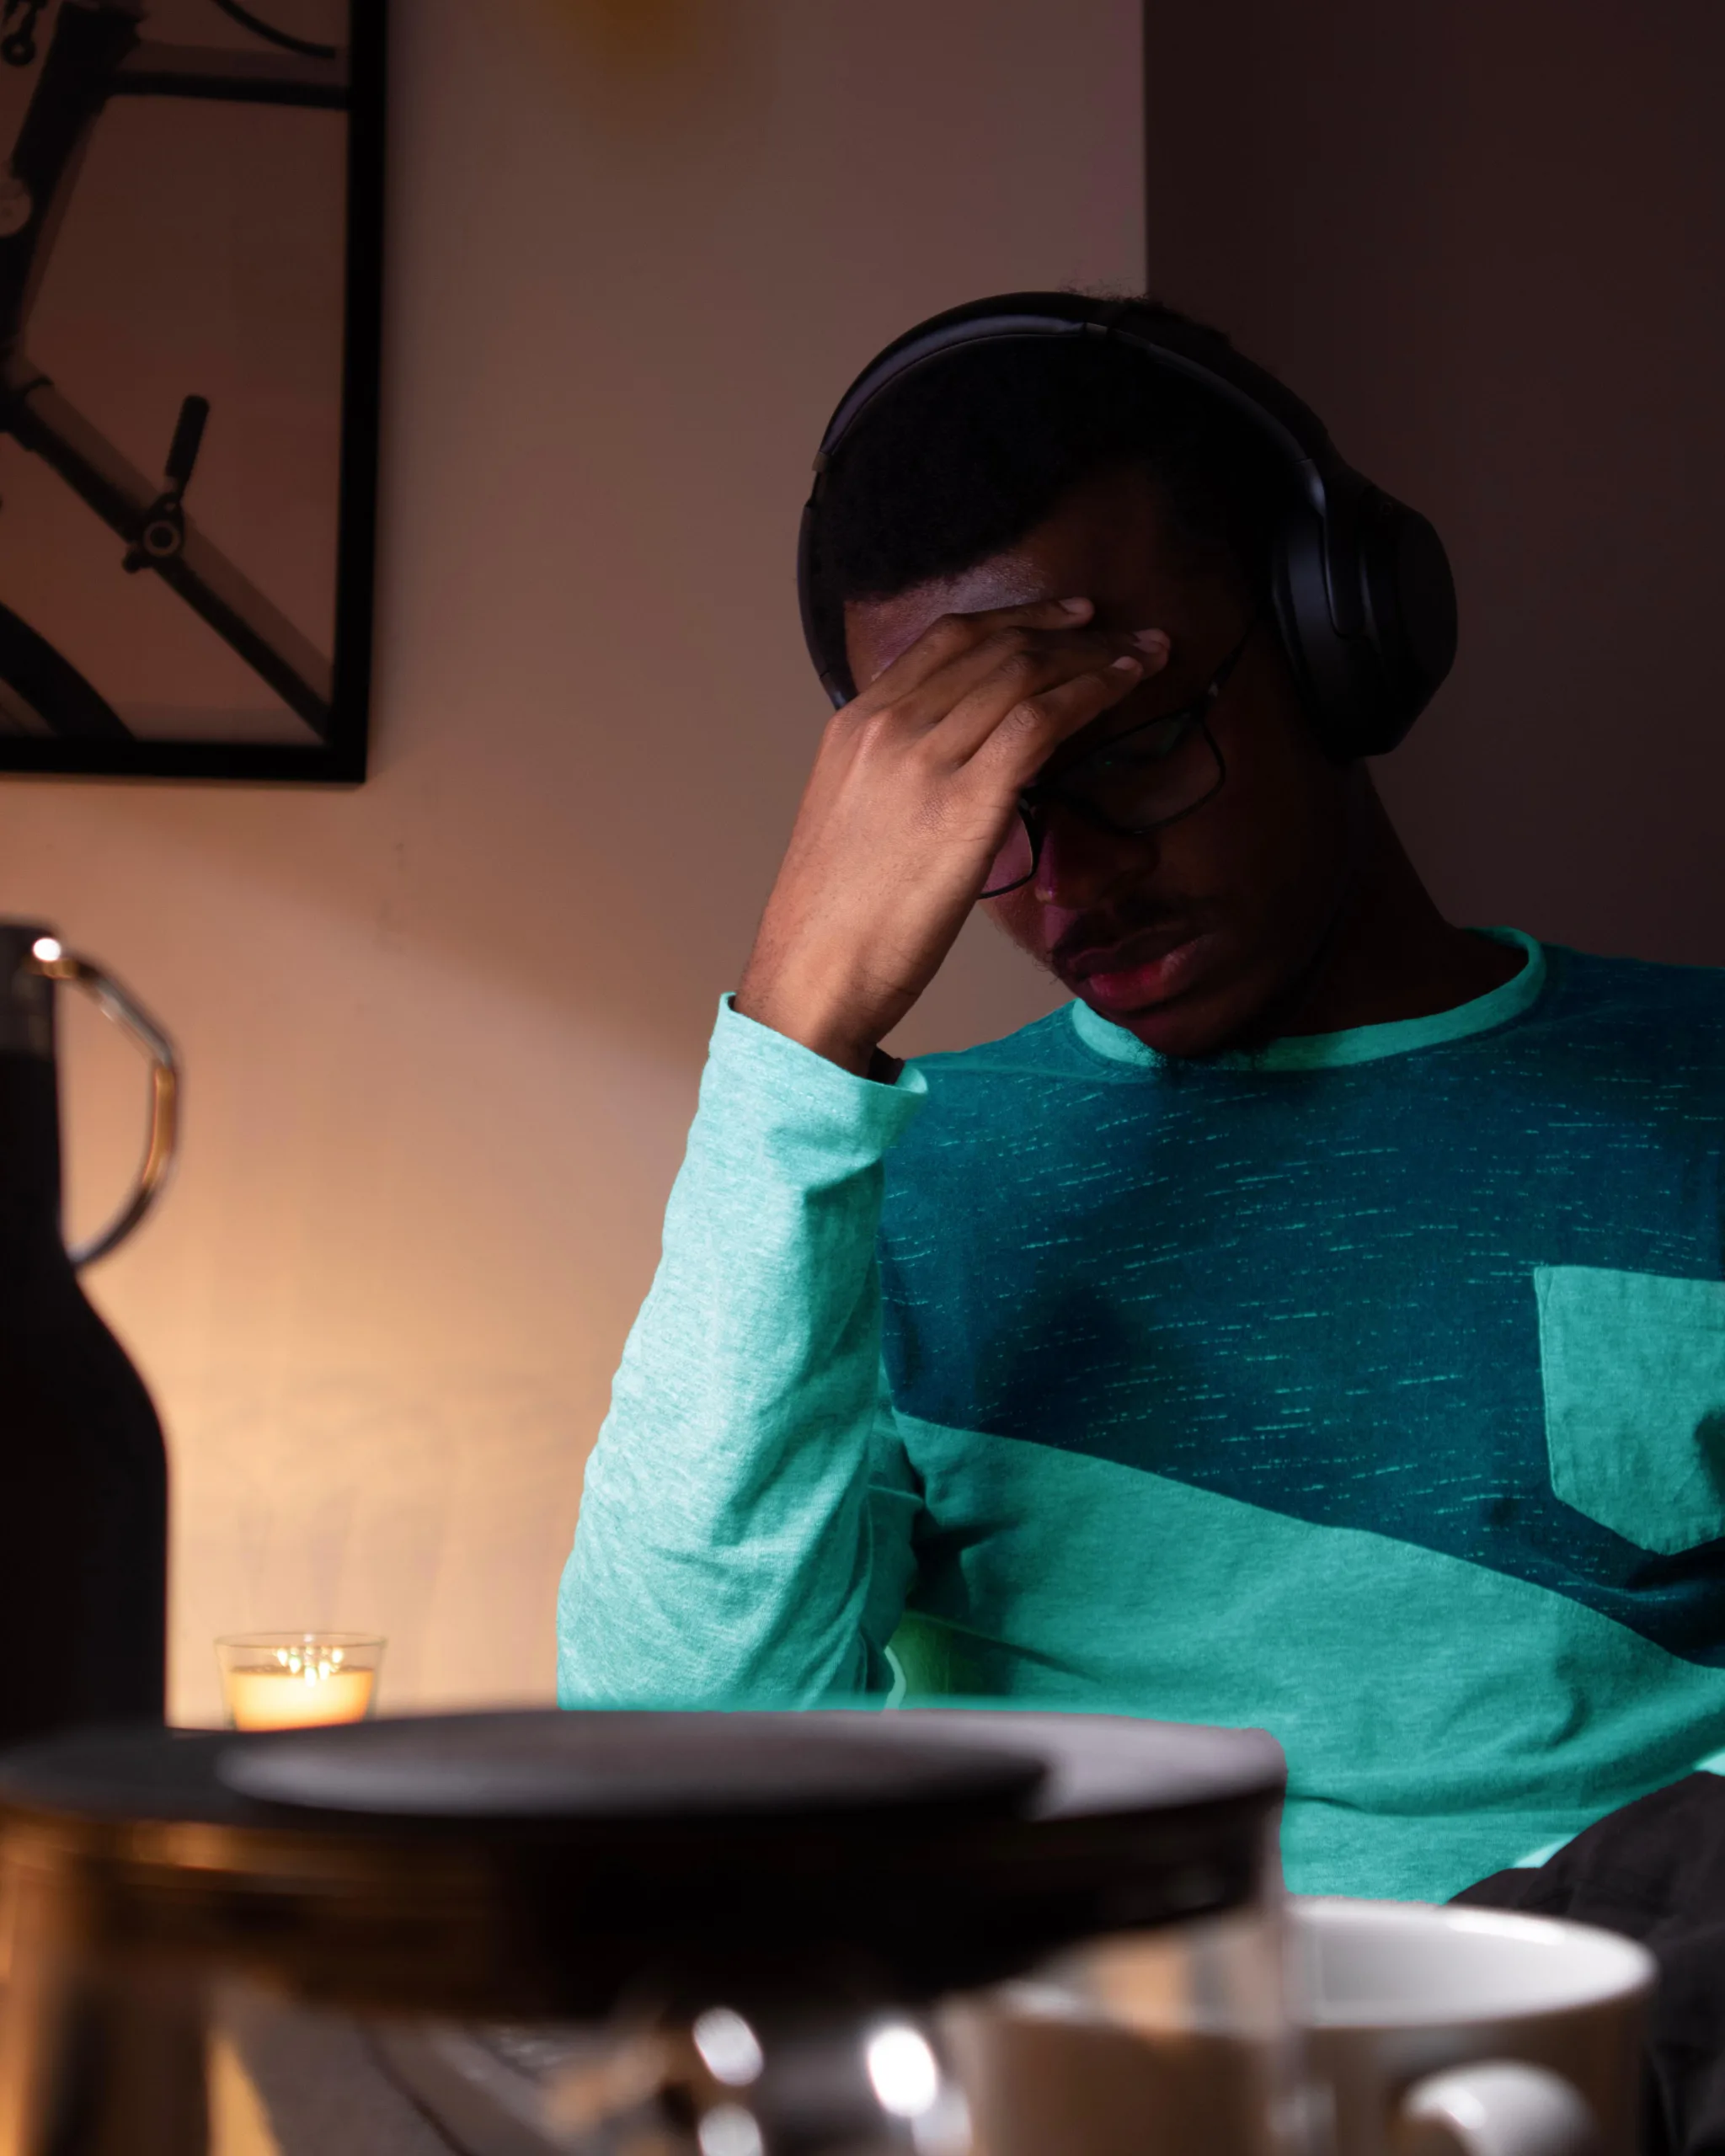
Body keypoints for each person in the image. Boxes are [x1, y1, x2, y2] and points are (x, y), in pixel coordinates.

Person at [558, 293, 1725, 1915]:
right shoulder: (878, 1176)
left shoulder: (1696, 1098)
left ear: (1337, 633)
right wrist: (799, 1029)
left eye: (1124, 749)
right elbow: (671, 1767)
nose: (1069, 887)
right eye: (979, 818)